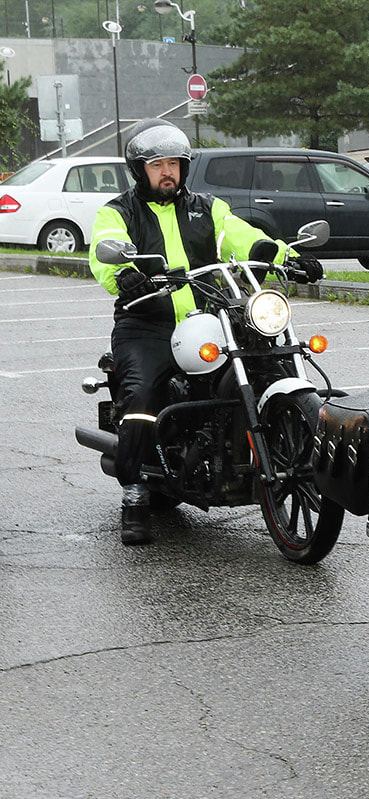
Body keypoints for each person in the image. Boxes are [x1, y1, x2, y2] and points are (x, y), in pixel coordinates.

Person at [89, 119, 308, 546]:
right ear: (140, 170)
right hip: (148, 323)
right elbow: (107, 248)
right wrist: (125, 274)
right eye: (157, 165)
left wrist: (284, 254)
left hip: (212, 318)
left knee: (269, 358)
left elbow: (241, 237)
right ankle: (134, 496)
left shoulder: (206, 207)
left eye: (174, 163)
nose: (167, 172)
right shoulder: (118, 212)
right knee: (142, 395)